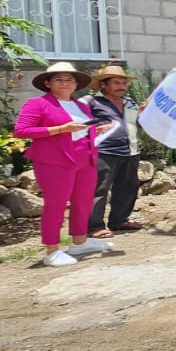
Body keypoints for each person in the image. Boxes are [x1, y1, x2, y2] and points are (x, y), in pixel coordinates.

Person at [15, 62, 112, 267]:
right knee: (56, 204)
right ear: (48, 83)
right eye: (58, 79)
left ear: (76, 84)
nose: (65, 83)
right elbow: (22, 131)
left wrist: (97, 130)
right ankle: (51, 250)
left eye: (69, 79)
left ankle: (79, 242)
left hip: (85, 159)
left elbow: (79, 130)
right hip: (54, 161)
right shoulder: (37, 104)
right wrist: (60, 129)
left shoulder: (81, 106)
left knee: (83, 201)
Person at [82, 64, 143, 237]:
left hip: (131, 150)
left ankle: (119, 220)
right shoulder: (90, 101)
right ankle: (94, 226)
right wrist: (93, 130)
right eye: (116, 83)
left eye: (124, 83)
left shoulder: (130, 103)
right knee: (99, 188)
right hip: (104, 151)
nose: (121, 87)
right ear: (103, 85)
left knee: (128, 186)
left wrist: (144, 113)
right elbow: (77, 122)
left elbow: (136, 123)